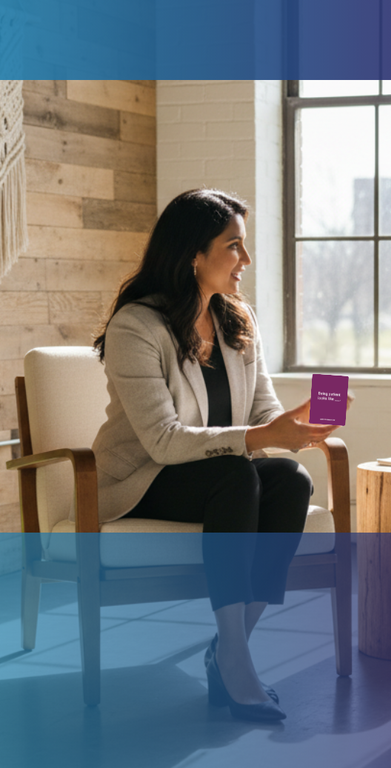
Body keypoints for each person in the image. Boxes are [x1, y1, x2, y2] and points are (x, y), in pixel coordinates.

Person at [93, 188, 344, 724]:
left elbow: (262, 415)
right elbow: (162, 440)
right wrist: (260, 438)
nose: (246, 262)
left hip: (219, 474)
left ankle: (230, 647)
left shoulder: (236, 319)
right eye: (234, 247)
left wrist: (294, 425)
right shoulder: (135, 327)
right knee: (237, 474)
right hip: (145, 476)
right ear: (193, 255)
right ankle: (233, 655)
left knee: (292, 481)